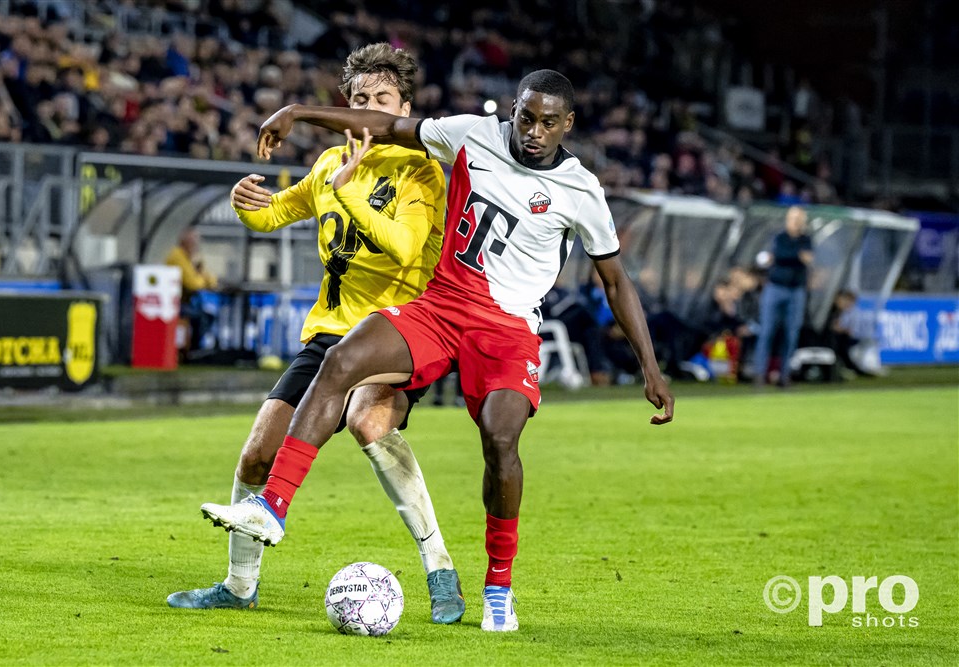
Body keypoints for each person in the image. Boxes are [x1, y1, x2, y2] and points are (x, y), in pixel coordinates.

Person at [199, 69, 674, 633]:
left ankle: (498, 585)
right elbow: (384, 125)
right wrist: (299, 113)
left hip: (507, 329)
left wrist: (650, 365)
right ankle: (272, 508)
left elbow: (615, 281)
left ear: (567, 124)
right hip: (443, 306)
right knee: (341, 361)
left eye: (549, 122)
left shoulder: (581, 190)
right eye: (526, 117)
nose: (533, 131)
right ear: (514, 110)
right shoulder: (475, 133)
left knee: (500, 440)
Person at [168, 43, 466, 625]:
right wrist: (245, 205)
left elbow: (404, 246)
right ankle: (238, 585)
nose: (368, 110)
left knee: (368, 421)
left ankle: (440, 569)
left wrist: (354, 191)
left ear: (404, 107)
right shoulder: (329, 164)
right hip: (328, 335)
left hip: (397, 332)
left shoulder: (422, 171)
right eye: (358, 100)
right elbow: (275, 213)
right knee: (256, 455)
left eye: (382, 100)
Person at [753, 206, 813, 387]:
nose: (795, 222)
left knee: (791, 333)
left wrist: (782, 257)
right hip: (775, 288)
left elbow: (806, 259)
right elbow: (777, 254)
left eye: (798, 219)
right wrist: (795, 256)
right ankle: (759, 374)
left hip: (796, 290)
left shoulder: (806, 240)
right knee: (767, 332)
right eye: (792, 218)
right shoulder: (779, 237)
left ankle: (784, 375)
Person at [165, 227, 219, 357]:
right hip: (170, 303)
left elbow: (210, 280)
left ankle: (193, 348)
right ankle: (192, 350)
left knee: (206, 315)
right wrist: (203, 278)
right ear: (186, 242)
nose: (196, 247)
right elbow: (193, 284)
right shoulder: (177, 256)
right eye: (194, 242)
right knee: (201, 317)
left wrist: (200, 272)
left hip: (183, 302)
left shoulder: (188, 258)